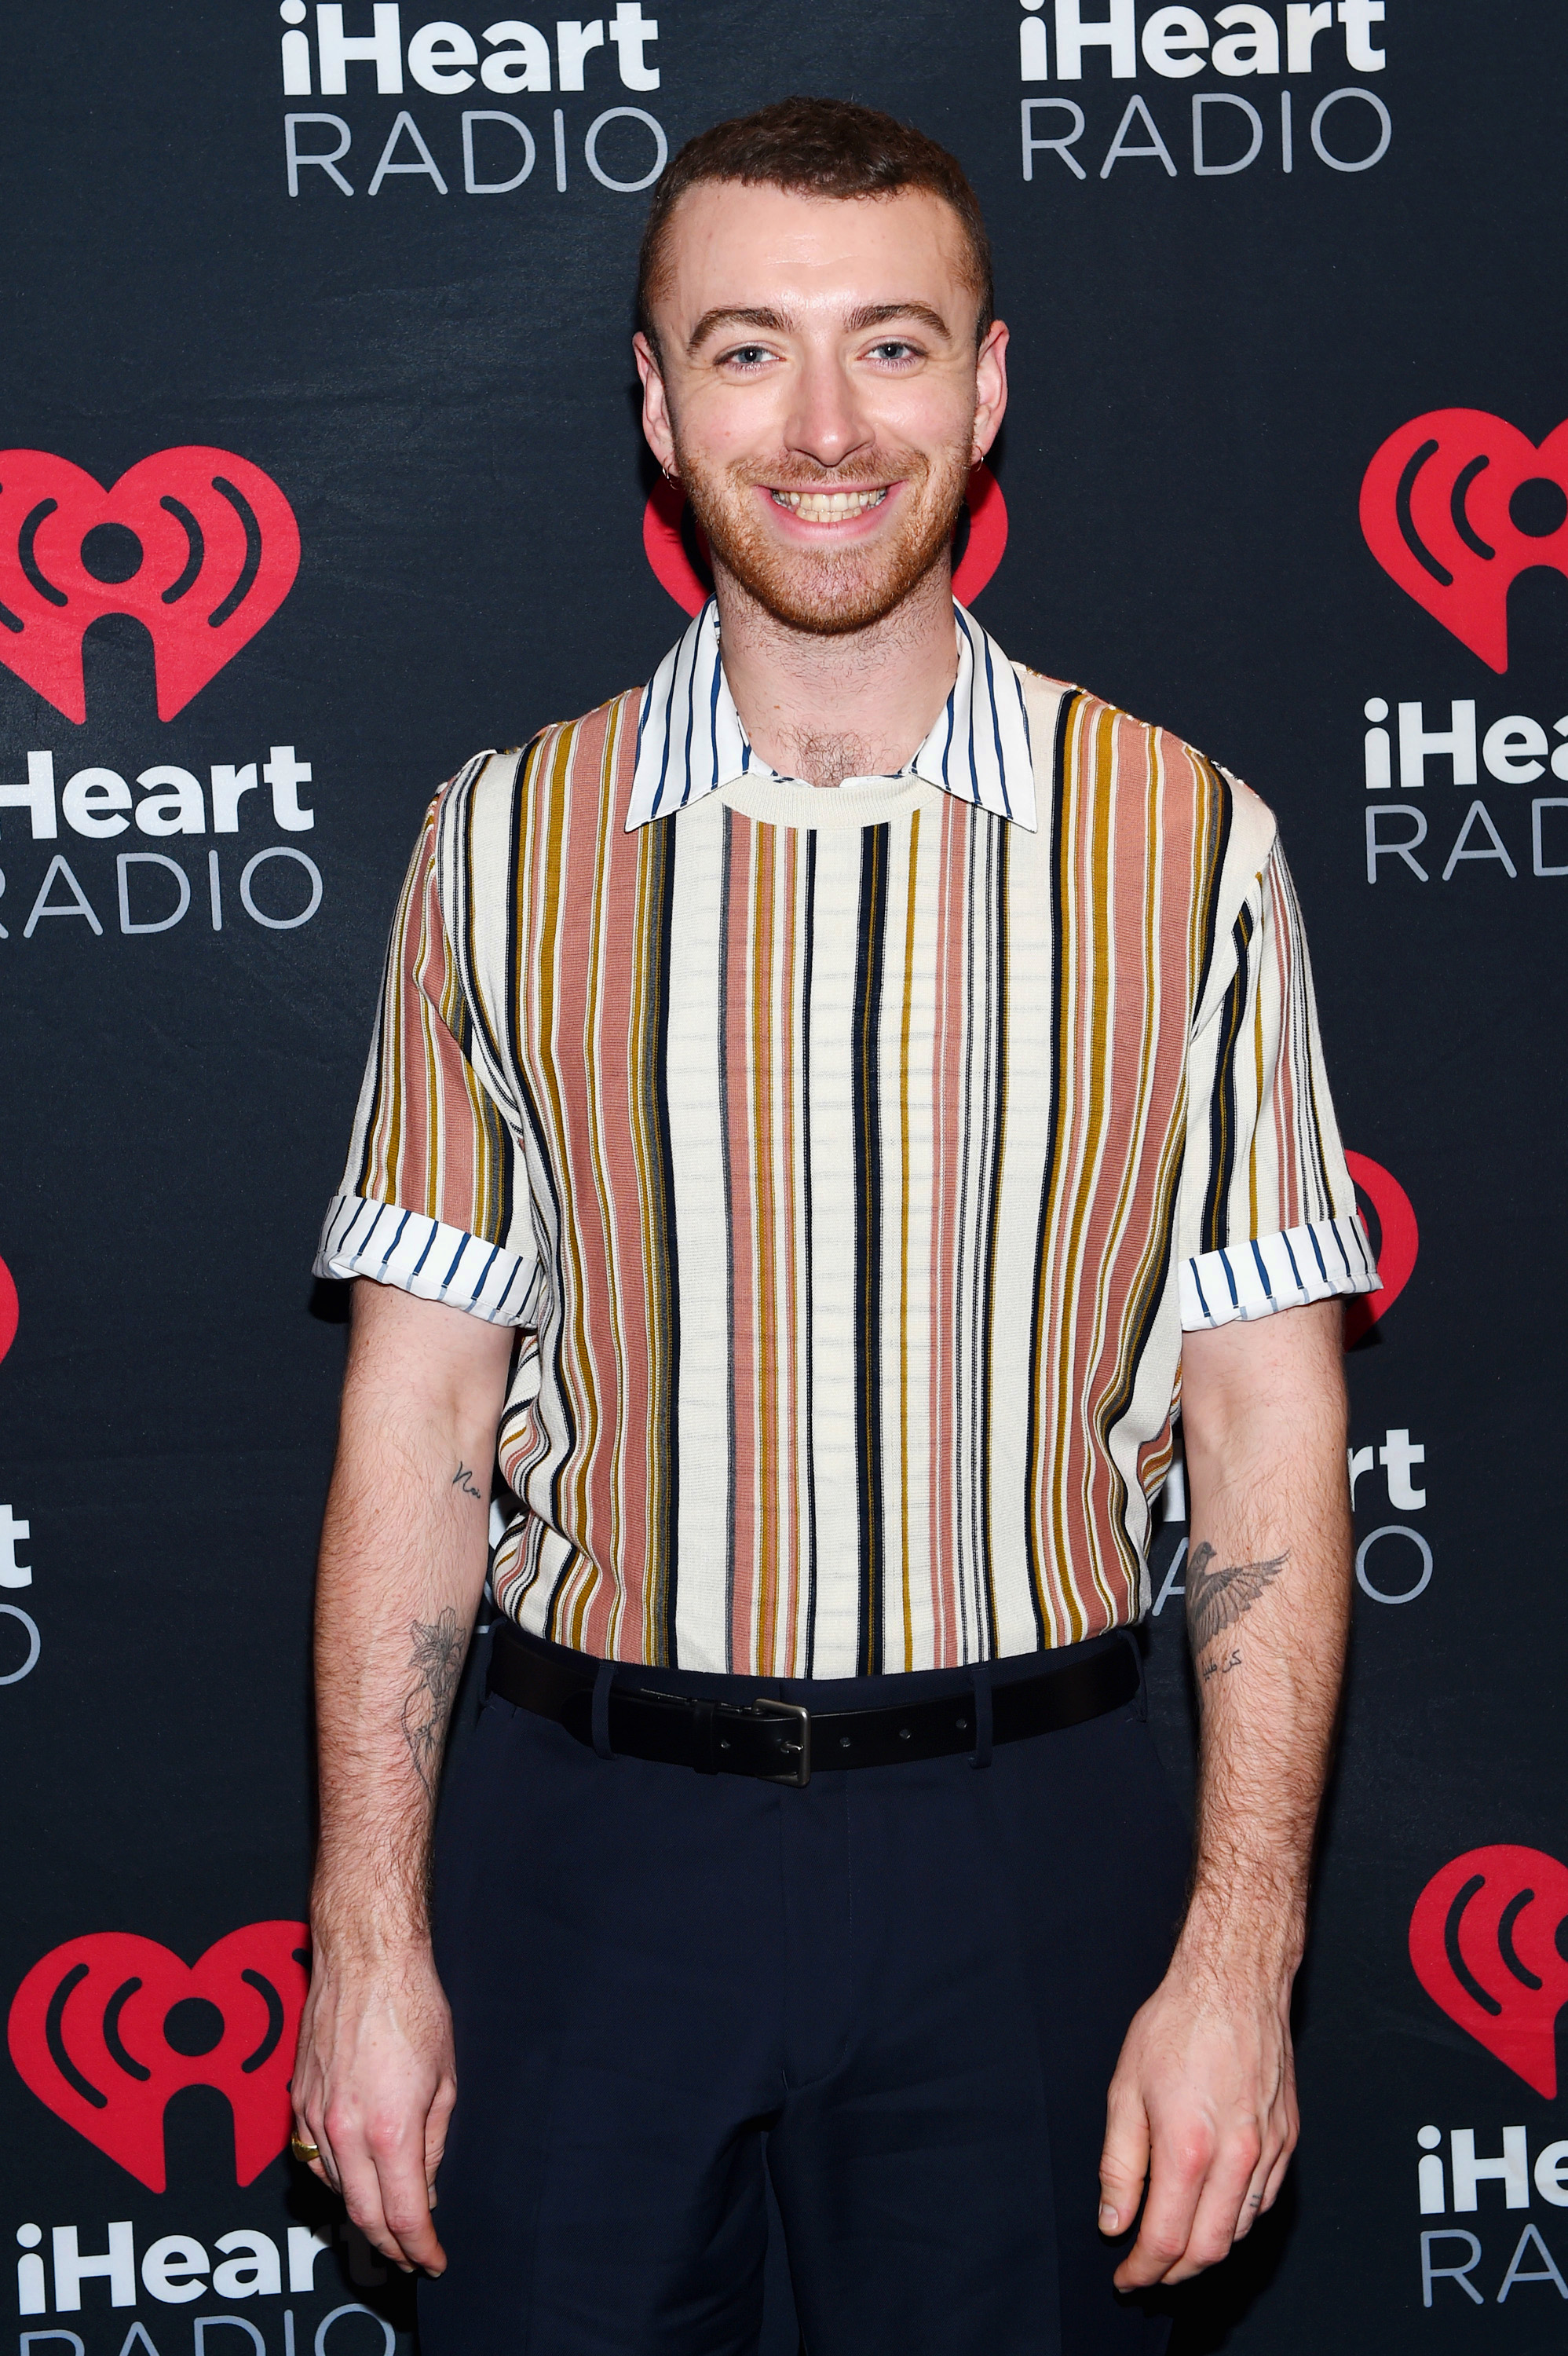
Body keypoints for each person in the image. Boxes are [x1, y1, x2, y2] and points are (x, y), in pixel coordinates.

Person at [290, 97, 1376, 2356]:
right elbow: (418, 1421)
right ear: (656, 402)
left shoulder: (1188, 843)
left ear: (985, 389)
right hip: (588, 1854)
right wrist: (367, 1937)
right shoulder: (501, 844)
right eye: (746, 350)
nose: (822, 430)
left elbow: (1268, 1420)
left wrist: (1241, 1955)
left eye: (889, 345)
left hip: (1033, 1852)